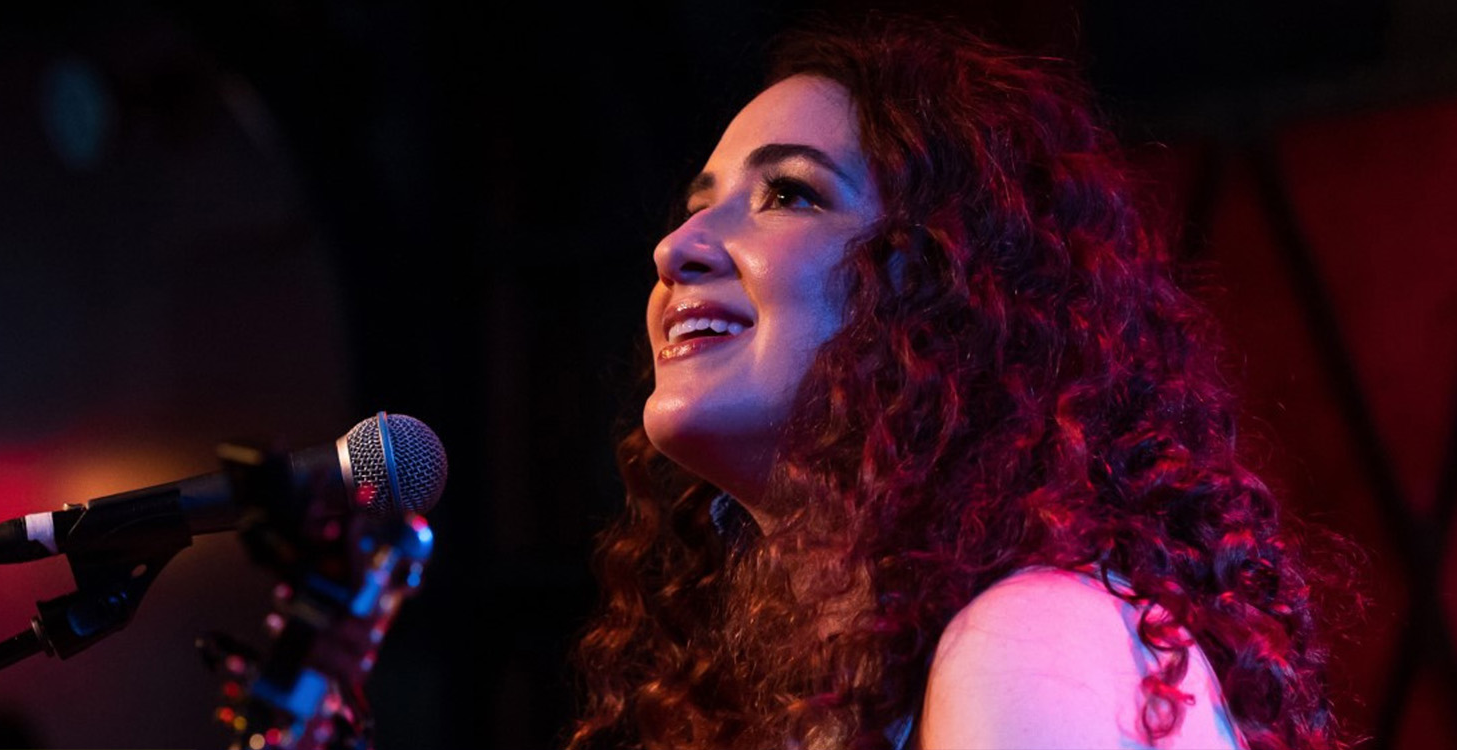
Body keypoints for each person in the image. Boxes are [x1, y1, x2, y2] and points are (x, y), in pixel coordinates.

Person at [567, 19, 1345, 750]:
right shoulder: (831, 680)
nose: (677, 247)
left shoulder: (1030, 642)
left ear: (943, 284)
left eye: (789, 194)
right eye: (698, 207)